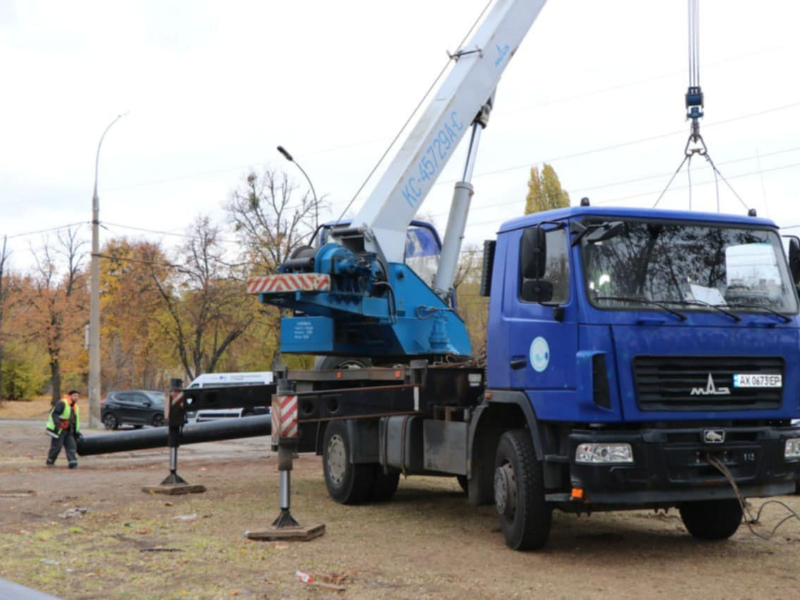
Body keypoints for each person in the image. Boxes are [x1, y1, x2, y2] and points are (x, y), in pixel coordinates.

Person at [45, 389, 82, 468]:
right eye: (75, 396)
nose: (76, 398)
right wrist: (57, 424)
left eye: (78, 396)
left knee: (72, 446)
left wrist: (76, 431)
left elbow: (75, 420)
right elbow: (55, 413)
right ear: (70, 396)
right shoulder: (62, 403)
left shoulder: (75, 407)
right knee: (56, 447)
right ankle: (50, 461)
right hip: (60, 429)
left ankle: (72, 462)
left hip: (69, 430)